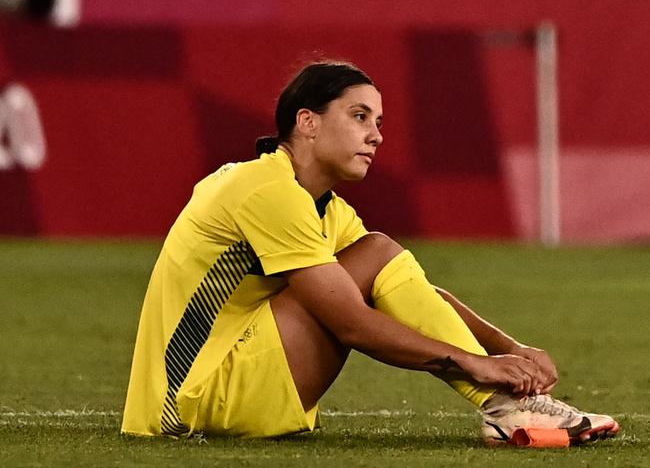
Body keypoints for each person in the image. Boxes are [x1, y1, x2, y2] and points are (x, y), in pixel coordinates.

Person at [121, 60, 619, 446]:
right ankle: (506, 407)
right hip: (194, 403)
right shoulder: (264, 188)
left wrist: (507, 347)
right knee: (375, 253)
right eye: (359, 116)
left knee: (377, 256)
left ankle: (506, 406)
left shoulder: (322, 208)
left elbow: (407, 292)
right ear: (308, 122)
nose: (376, 134)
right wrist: (474, 363)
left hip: (219, 394)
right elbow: (351, 323)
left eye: (378, 120)